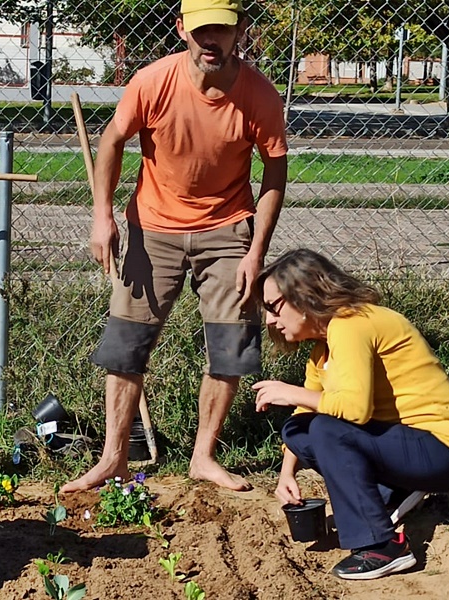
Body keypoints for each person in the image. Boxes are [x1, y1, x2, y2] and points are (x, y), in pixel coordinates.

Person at [61, 0, 288, 493]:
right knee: (126, 347)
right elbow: (113, 139)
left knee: (231, 348)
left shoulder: (260, 96)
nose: (213, 40)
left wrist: (255, 251)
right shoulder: (152, 81)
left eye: (224, 30)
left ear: (240, 32)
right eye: (202, 28)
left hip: (229, 229)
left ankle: (203, 457)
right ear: (182, 28)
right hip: (153, 229)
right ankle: (113, 458)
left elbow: (274, 172)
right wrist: (102, 216)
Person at [252, 249, 449, 580]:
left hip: (444, 451)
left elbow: (355, 409)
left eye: (273, 307)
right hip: (412, 446)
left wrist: (290, 391)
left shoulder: (351, 324)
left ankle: (383, 546)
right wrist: (287, 475)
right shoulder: (322, 348)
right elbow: (306, 410)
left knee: (328, 429)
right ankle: (393, 492)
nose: (269, 319)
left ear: (304, 295)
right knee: (299, 429)